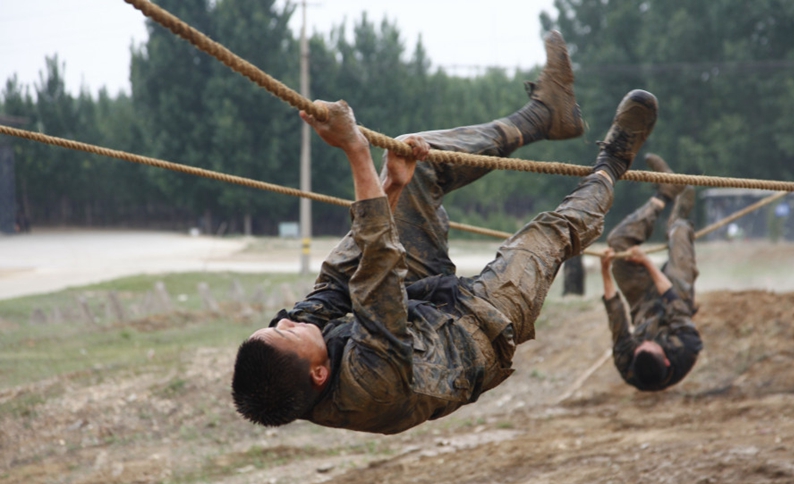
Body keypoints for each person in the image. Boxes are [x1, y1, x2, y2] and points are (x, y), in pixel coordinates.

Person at [232, 32, 659, 434]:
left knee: (412, 159)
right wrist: (355, 150)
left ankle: (545, 115)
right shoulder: (369, 387)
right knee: (547, 235)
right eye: (286, 332)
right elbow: (376, 274)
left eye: (277, 325)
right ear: (319, 374)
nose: (287, 320)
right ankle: (614, 161)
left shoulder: (293, 358)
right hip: (478, 332)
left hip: (414, 301)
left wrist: (394, 185)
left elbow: (342, 277)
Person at [599, 153, 702, 392]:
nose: (644, 342)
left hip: (642, 306)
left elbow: (617, 319)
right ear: (666, 358)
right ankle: (679, 218)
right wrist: (647, 263)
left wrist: (605, 271)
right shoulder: (686, 348)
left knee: (617, 242)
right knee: (679, 233)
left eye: (640, 345)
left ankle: (666, 192)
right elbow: (673, 303)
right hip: (676, 303)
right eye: (650, 345)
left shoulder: (626, 363)